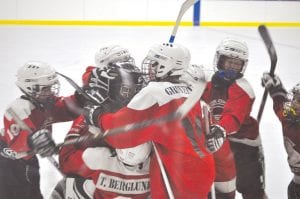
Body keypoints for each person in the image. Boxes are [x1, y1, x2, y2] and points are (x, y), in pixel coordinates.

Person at [84, 42, 215, 199]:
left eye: (155, 63)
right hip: (203, 166)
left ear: (165, 66)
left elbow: (122, 133)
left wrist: (97, 115)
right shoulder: (190, 90)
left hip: (179, 173)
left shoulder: (155, 93)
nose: (149, 67)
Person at [0, 61, 80, 199]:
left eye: (51, 87)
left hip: (27, 160)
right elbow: (19, 143)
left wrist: (82, 100)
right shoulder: (18, 108)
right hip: (6, 162)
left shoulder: (46, 104)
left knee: (32, 192)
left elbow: (66, 108)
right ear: (31, 88)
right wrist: (33, 140)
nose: (50, 92)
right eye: (45, 89)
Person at [201, 38, 268, 199]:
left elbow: (233, 116)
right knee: (215, 189)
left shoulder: (243, 88)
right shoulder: (206, 80)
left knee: (252, 191)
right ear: (220, 60)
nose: (232, 66)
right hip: (218, 143)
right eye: (229, 61)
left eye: (237, 63)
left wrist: (220, 129)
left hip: (244, 146)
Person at [262, 73, 300, 199]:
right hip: (296, 184)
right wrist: (275, 87)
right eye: (294, 98)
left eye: (299, 101)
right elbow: (280, 102)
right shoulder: (289, 116)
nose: (294, 103)